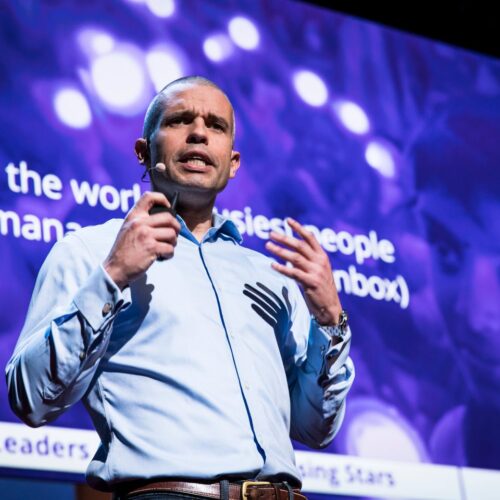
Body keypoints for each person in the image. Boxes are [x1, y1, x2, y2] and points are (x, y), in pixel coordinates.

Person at [6, 76, 354, 499]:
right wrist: (112, 276)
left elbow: (315, 429)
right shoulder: (89, 251)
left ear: (233, 162)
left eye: (216, 125)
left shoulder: (273, 274)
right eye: (179, 120)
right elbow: (31, 398)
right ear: (143, 151)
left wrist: (329, 321)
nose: (199, 133)